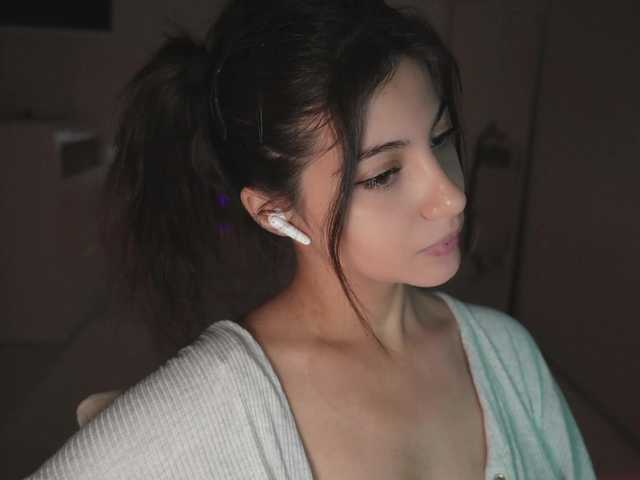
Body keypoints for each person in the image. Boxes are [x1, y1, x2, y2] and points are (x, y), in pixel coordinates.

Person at [26, 0, 597, 479]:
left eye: (442, 138)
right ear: (275, 212)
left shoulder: (507, 356)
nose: (451, 196)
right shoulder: (217, 400)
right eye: (383, 175)